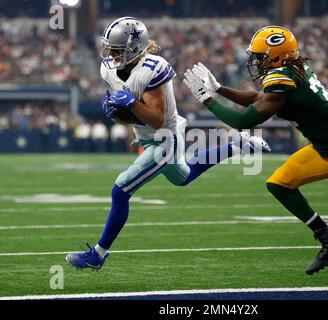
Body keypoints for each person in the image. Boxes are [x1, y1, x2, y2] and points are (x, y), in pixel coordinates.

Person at [183, 26, 328, 275]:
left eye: (260, 56)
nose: (256, 62)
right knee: (279, 183)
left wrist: (206, 99)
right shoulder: (290, 71)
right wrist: (219, 89)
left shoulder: (283, 78)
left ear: (276, 56)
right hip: (324, 149)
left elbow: (244, 122)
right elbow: (257, 99)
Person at [65, 17, 270, 270]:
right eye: (109, 48)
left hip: (165, 138)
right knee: (183, 175)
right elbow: (125, 116)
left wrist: (129, 103)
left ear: (134, 48)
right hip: (146, 136)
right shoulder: (108, 67)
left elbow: (158, 121)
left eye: (117, 49)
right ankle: (236, 145)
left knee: (120, 191)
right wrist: (116, 111)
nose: (110, 53)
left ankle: (98, 254)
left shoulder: (153, 67)